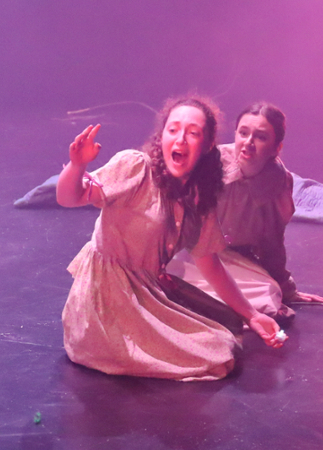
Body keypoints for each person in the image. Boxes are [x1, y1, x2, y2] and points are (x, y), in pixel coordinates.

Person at [56, 96, 284, 382]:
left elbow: (210, 264)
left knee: (226, 329)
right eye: (173, 130)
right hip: (104, 300)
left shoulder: (198, 196)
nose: (181, 139)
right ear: (161, 136)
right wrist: (77, 166)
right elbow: (68, 197)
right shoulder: (136, 168)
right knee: (216, 352)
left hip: (146, 291)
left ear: (208, 145)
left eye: (193, 133)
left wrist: (252, 316)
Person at [167, 102, 323, 323]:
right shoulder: (210, 162)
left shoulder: (278, 182)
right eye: (243, 133)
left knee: (269, 293)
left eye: (260, 138)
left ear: (276, 147)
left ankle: (201, 305)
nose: (248, 143)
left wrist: (287, 289)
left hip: (232, 261)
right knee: (171, 274)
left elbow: (273, 242)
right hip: (193, 253)